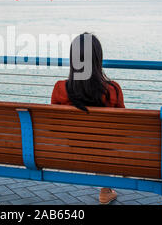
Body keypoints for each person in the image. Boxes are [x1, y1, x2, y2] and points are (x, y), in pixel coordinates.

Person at [51, 32, 125, 205]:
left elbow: (54, 124)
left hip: (70, 151)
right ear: (98, 59)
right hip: (103, 153)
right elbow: (122, 129)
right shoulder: (112, 90)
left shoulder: (60, 88)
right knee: (104, 143)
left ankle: (106, 190)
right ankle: (105, 190)